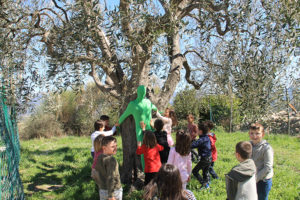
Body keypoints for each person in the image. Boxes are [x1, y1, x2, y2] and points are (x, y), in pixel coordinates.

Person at [119, 85, 157, 169]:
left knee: (148, 151)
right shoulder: (136, 104)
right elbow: (124, 115)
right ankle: (147, 171)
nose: (143, 93)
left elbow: (154, 107)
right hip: (144, 130)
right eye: (142, 92)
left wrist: (117, 124)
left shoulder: (144, 102)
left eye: (143, 92)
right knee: (147, 152)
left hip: (146, 130)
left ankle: (150, 171)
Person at [249, 123, 274, 200]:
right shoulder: (248, 145)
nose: (254, 136)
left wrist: (256, 178)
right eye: (252, 133)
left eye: (257, 133)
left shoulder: (267, 148)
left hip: (263, 180)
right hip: (251, 177)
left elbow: (268, 167)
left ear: (263, 134)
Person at [191, 121, 212, 189]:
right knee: (205, 172)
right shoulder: (206, 137)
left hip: (204, 159)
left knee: (194, 171)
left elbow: (193, 145)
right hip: (209, 158)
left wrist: (185, 144)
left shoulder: (202, 139)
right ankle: (207, 185)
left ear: (200, 131)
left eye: (197, 130)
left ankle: (204, 184)